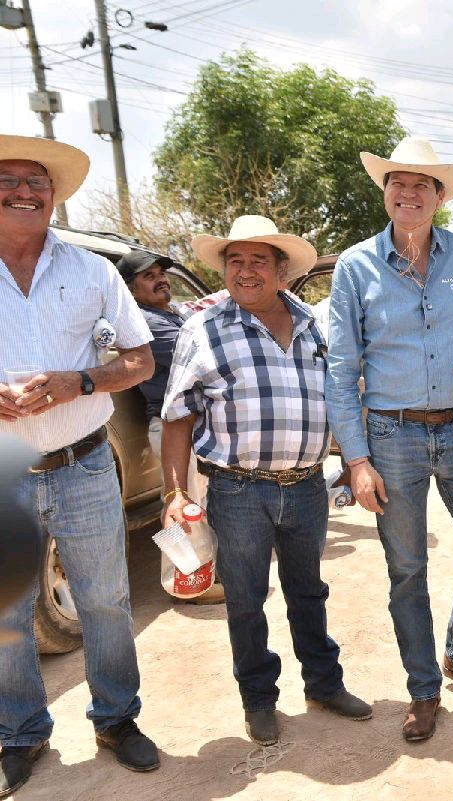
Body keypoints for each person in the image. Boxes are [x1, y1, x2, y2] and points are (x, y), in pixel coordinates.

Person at [159, 215, 372, 747]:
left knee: (308, 592)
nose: (245, 271)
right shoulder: (203, 328)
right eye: (235, 261)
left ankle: (324, 683)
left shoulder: (312, 324)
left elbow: (340, 397)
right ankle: (258, 698)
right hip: (236, 489)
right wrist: (174, 493)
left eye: (259, 261)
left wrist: (352, 459)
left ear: (282, 271)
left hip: (305, 485)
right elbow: (177, 416)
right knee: (246, 600)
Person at [326, 138, 453, 743]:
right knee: (408, 568)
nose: (409, 194)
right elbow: (341, 367)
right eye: (397, 183)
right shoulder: (355, 266)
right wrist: (356, 460)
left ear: (439, 196)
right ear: (386, 192)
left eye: (422, 185)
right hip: (390, 436)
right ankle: (423, 687)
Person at [0, 135, 159, 796]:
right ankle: (19, 732)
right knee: (8, 611)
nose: (23, 191)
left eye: (36, 181)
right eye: (7, 180)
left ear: (54, 193)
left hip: (87, 464)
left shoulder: (91, 271)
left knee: (106, 601)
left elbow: (140, 360)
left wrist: (80, 383)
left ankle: (116, 720)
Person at [118, 249, 226, 604]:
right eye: (148, 277)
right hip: (173, 429)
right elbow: (207, 355)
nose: (160, 279)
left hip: (194, 427)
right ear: (131, 290)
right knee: (183, 508)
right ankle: (190, 588)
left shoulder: (174, 312)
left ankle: (198, 578)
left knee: (198, 507)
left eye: (160, 273)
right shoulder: (145, 322)